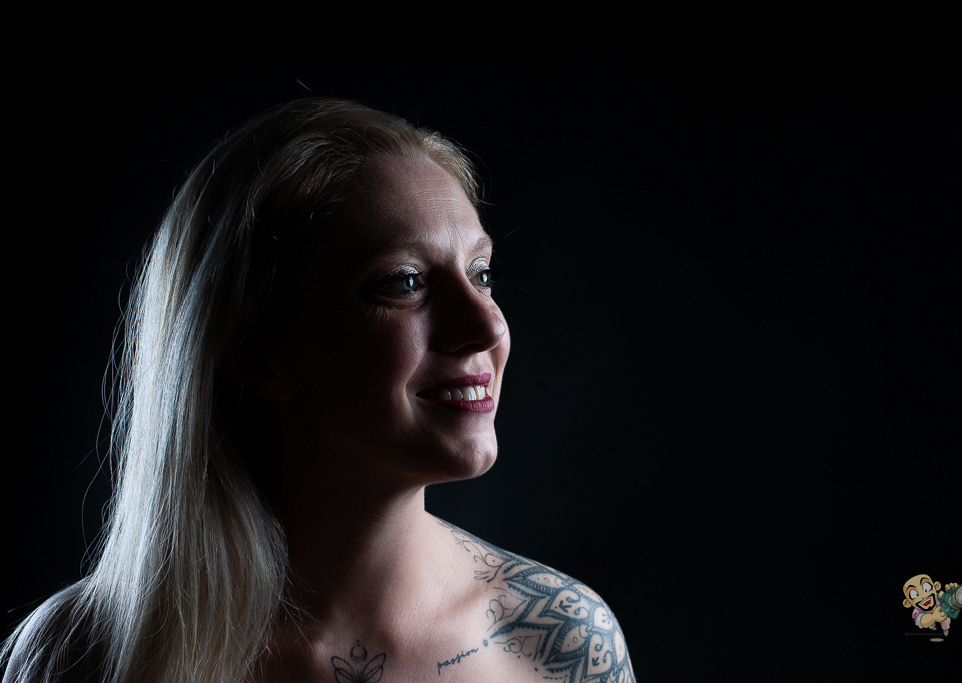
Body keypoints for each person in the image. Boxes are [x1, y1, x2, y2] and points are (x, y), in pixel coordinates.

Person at [1, 98, 634, 682]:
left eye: (481, 273)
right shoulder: (84, 655)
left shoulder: (559, 644)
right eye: (404, 281)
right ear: (257, 356)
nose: (487, 327)